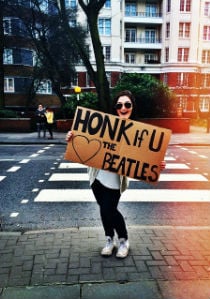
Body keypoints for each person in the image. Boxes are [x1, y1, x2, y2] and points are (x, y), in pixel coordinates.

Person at [66, 90, 166, 258]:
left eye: (127, 104)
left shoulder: (138, 132)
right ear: (115, 108)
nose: (123, 108)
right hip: (96, 177)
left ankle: (123, 240)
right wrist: (72, 137)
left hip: (115, 181)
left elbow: (143, 160)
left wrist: (156, 164)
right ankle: (109, 239)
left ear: (132, 107)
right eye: (119, 105)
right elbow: (84, 142)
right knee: (104, 210)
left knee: (109, 209)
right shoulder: (104, 126)